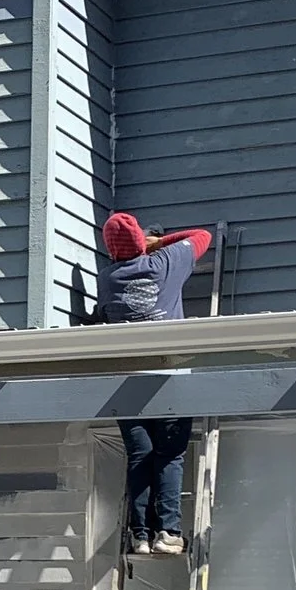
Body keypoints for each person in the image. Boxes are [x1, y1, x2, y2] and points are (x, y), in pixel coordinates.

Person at [97, 210, 215, 554]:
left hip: (127, 384)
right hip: (169, 381)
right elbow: (201, 235)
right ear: (141, 243)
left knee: (140, 456)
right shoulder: (163, 263)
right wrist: (157, 242)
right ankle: (169, 533)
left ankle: (141, 535)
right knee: (170, 456)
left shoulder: (107, 278)